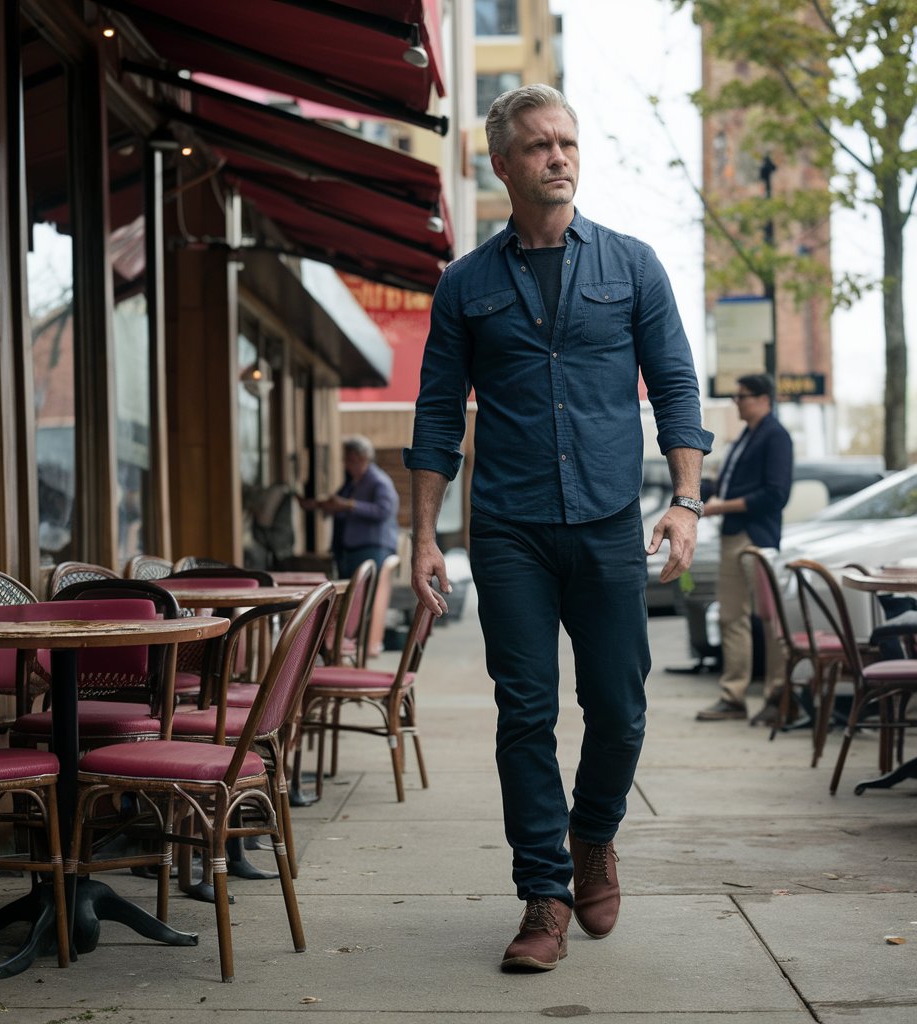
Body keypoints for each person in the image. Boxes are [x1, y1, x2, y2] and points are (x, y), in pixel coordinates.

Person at [404, 84, 713, 973]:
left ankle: (593, 837)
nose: (559, 157)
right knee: (525, 711)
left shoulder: (633, 266)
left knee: (619, 707)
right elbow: (434, 416)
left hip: (611, 520)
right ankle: (543, 896)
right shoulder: (465, 285)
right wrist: (425, 537)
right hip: (509, 529)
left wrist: (687, 502)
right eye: (539, 146)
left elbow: (679, 391)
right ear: (502, 163)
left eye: (569, 143)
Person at [696, 373, 793, 725]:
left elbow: (775, 495)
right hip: (732, 536)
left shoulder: (776, 436)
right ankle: (733, 696)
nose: (737, 402)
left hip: (758, 538)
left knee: (770, 620)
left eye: (743, 396)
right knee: (730, 618)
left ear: (764, 398)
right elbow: (722, 485)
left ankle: (778, 697)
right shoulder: (744, 438)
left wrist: (722, 506)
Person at [301, 435, 399, 578]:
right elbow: (338, 504)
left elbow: (384, 510)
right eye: (346, 459)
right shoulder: (352, 483)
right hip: (349, 551)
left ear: (364, 457)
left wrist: (349, 505)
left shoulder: (379, 481)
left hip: (371, 549)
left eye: (351, 460)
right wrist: (320, 504)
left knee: (367, 597)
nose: (347, 464)